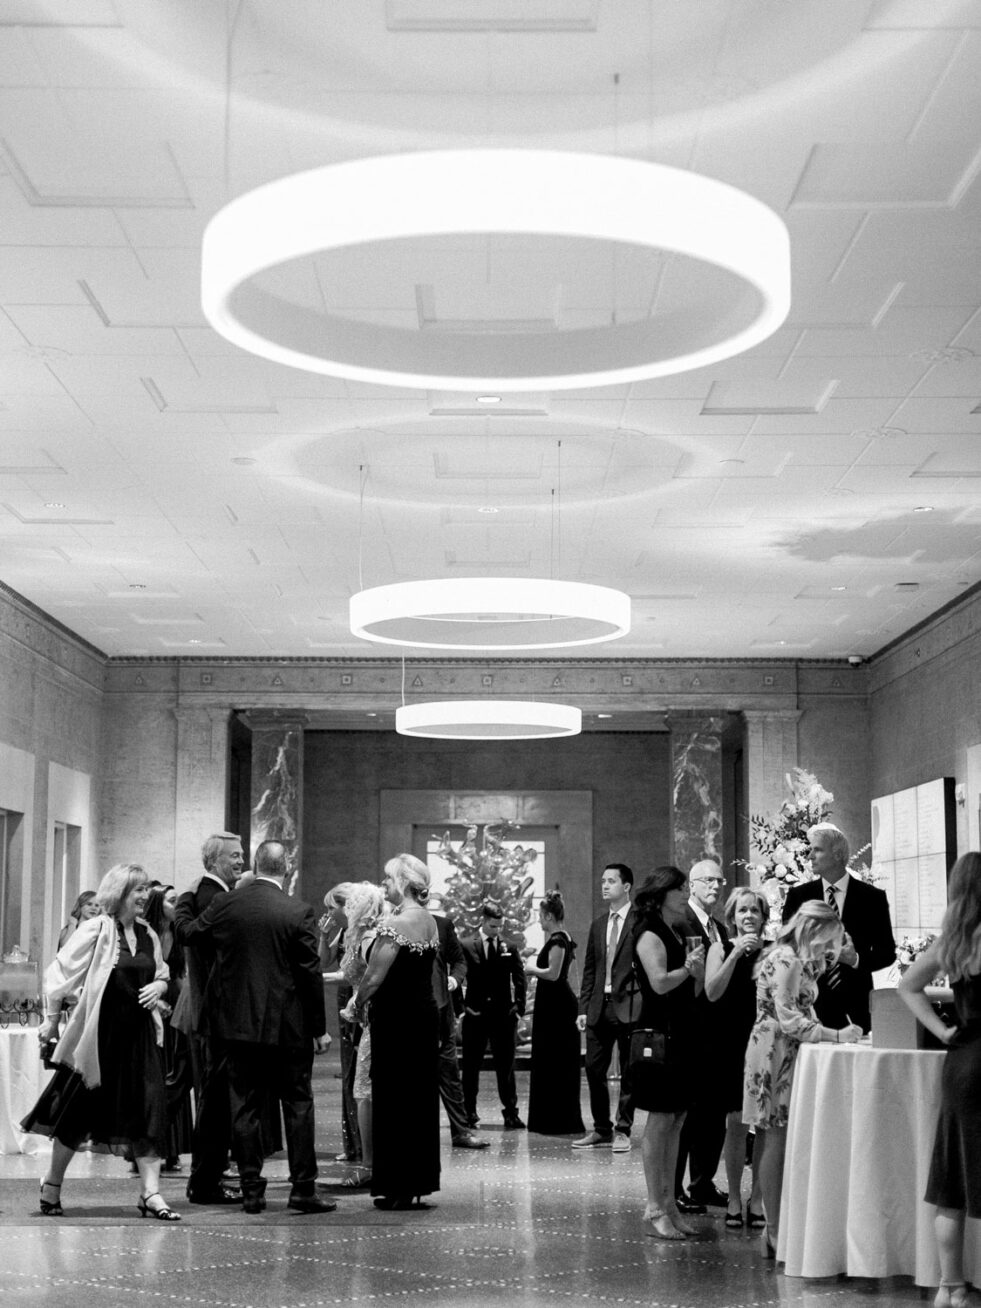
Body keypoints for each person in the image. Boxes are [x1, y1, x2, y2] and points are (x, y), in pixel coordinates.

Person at [176, 839, 335, 1214]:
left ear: (256, 865)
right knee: (297, 1105)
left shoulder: (225, 904)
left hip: (236, 1028)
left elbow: (189, 934)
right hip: (288, 1029)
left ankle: (251, 1191)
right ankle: (302, 1190)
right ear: (287, 868)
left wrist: (184, 899)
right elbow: (310, 974)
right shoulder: (298, 911)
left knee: (244, 1106)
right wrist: (318, 1028)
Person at [24, 863, 179, 1221]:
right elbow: (60, 973)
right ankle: (52, 1184)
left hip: (139, 1039)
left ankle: (151, 1193)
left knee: (148, 1111)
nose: (144, 896)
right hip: (100, 1039)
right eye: (137, 889)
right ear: (120, 892)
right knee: (78, 1113)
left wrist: (160, 986)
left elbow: (161, 972)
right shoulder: (96, 929)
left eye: (145, 890)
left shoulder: (149, 934)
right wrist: (50, 1020)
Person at [744, 900, 862, 1258]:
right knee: (774, 1137)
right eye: (826, 940)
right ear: (811, 931)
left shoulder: (799, 960)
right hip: (773, 1050)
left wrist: (838, 954)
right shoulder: (785, 959)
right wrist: (836, 1035)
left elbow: (804, 998)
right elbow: (789, 1018)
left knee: (774, 1136)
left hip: (785, 1049)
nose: (828, 948)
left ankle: (776, 1225)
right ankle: (775, 1227)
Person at [898, 851, 981, 1308]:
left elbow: (909, 986)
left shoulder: (955, 940)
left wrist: (944, 1029)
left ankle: (952, 1287)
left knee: (952, 1181)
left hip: (963, 1061)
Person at [350, 853, 440, 1209]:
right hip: (421, 1019)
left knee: (394, 1100)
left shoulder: (398, 925)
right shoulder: (428, 920)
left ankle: (397, 1185)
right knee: (416, 1102)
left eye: (388, 879)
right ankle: (415, 1182)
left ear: (403, 882)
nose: (384, 884)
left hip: (398, 1021)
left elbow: (373, 976)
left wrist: (354, 1006)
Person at [629, 865, 705, 1240]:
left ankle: (670, 1203)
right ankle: (654, 1205)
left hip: (682, 1033)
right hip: (660, 1037)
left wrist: (695, 969)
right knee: (659, 1121)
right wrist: (688, 969)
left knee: (677, 1120)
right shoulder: (648, 934)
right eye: (681, 888)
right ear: (662, 894)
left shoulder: (675, 930)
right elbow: (659, 983)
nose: (686, 894)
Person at [173, 831, 245, 1205]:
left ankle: (208, 1179)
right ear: (215, 861)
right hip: (216, 1016)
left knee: (214, 1102)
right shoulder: (213, 898)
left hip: (211, 1015)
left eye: (242, 854)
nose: (240, 860)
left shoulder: (206, 895)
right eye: (234, 855)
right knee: (214, 1105)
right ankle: (205, 1184)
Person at [782, 823, 895, 1032]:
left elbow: (887, 953)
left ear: (837, 854)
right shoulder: (798, 897)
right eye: (810, 850)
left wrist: (855, 959)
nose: (810, 856)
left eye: (817, 850)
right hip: (809, 1004)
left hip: (858, 1007)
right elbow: (785, 947)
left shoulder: (872, 898)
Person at [704, 886, 767, 1229]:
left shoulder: (773, 952)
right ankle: (732, 1196)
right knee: (737, 1122)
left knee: (765, 1125)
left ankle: (757, 1198)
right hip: (729, 1043)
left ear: (763, 917)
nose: (748, 916)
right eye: (742, 911)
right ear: (732, 918)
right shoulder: (719, 948)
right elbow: (712, 992)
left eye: (754, 911)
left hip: (764, 1043)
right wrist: (734, 955)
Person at [573, 862, 640, 1151]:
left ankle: (623, 1129)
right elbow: (590, 969)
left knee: (630, 1070)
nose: (604, 885)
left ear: (626, 887)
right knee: (593, 1068)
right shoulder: (599, 924)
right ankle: (601, 1129)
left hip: (629, 1006)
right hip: (599, 1006)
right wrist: (583, 1008)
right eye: (602, 880)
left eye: (611, 881)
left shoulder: (640, 921)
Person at [675, 857, 729, 1212]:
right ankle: (674, 1186)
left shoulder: (720, 929)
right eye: (707, 880)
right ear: (692, 885)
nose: (714, 886)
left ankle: (703, 1182)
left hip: (716, 1033)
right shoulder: (681, 924)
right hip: (687, 1028)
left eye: (719, 881)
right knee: (685, 1115)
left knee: (713, 1113)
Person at [338, 881, 389, 1187]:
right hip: (366, 1023)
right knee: (365, 1093)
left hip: (374, 1025)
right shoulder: (361, 937)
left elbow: (376, 981)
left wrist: (357, 1003)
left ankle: (370, 1165)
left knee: (364, 1093)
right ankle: (372, 1161)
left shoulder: (370, 939)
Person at [460, 901, 527, 1130]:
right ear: (483, 920)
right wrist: (462, 1008)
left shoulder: (509, 946)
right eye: (493, 926)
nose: (497, 930)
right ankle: (468, 1112)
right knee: (470, 1067)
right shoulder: (467, 944)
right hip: (475, 1014)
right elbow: (457, 976)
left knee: (506, 1067)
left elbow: (520, 978)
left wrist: (518, 1007)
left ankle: (511, 1113)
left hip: (503, 1015)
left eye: (500, 926)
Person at [524, 890, 585, 1136]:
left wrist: (531, 968)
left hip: (556, 1011)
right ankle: (551, 1118)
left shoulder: (559, 940)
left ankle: (556, 1121)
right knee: (553, 1063)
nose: (539, 920)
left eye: (540, 915)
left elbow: (554, 973)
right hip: (553, 1008)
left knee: (555, 1063)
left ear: (549, 915)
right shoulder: (561, 937)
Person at [143, 885, 192, 1173]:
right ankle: (149, 1147)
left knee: (175, 1075)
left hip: (176, 1003)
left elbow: (183, 973)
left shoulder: (178, 934)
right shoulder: (147, 935)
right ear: (159, 904)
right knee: (158, 1077)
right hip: (154, 1001)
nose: (177, 906)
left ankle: (171, 1149)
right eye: (172, 901)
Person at [431, 903, 488, 1150]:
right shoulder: (396, 924)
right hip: (413, 1012)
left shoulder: (442, 925)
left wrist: (454, 978)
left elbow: (459, 961)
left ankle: (461, 1131)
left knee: (450, 1074)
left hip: (442, 1011)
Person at [320, 882, 362, 1165]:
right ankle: (353, 1146)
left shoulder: (364, 930)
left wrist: (320, 979)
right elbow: (324, 960)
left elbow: (349, 973)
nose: (329, 914)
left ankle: (362, 1146)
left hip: (359, 1001)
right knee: (348, 1074)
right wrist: (324, 936)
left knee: (360, 1076)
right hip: (344, 1000)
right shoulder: (345, 931)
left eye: (331, 908)